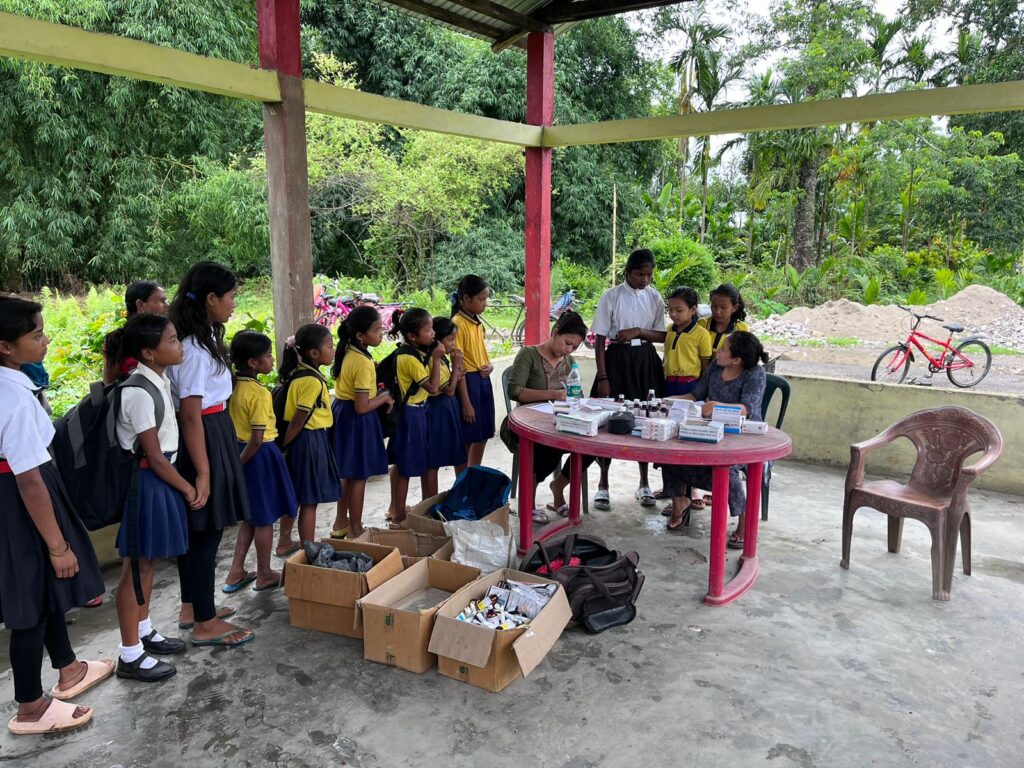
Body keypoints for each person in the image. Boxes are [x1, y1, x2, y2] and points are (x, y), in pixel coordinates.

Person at [0, 296, 111, 735]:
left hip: (20, 495)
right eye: (36, 335)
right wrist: (58, 545)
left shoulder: (13, 383)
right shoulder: (14, 398)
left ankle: (68, 669)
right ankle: (30, 705)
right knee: (30, 601)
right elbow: (28, 479)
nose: (45, 340)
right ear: (6, 346)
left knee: (44, 592)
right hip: (23, 499)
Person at [166, 262, 253, 649]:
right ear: (211, 299)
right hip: (203, 436)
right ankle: (203, 621)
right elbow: (190, 413)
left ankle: (194, 607)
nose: (234, 303)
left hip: (211, 431)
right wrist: (203, 472)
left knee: (201, 530)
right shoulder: (194, 350)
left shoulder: (200, 341)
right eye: (231, 296)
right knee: (206, 531)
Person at [113, 313, 196, 682]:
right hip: (148, 481)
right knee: (137, 567)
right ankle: (129, 654)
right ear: (149, 352)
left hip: (158, 479)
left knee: (148, 565)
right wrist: (186, 486)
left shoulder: (157, 380)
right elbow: (154, 456)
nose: (179, 346)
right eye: (173, 340)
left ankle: (143, 631)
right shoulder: (137, 392)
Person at [663, 331, 768, 538]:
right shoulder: (715, 367)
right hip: (711, 431)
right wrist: (666, 400)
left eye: (722, 349)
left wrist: (715, 405)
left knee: (726, 468)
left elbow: (747, 408)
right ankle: (680, 502)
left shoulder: (755, 373)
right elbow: (695, 395)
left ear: (736, 360)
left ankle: (744, 519)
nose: (716, 351)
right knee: (670, 453)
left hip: (743, 437)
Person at [591, 248, 667, 509]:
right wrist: (603, 376)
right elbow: (600, 338)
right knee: (610, 418)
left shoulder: (655, 298)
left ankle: (644, 483)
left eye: (649, 275)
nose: (644, 279)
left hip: (645, 361)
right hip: (617, 361)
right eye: (639, 274)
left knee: (645, 418)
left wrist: (639, 331)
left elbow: (663, 336)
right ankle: (603, 484)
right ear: (627, 272)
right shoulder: (611, 297)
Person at [224, 331, 297, 593]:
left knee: (251, 518)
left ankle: (236, 571)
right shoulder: (259, 393)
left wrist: (235, 463)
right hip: (259, 455)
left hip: (241, 452)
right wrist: (239, 465)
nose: (271, 359)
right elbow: (257, 438)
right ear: (253, 363)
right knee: (264, 518)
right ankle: (264, 572)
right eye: (267, 355)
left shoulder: (232, 387)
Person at [504, 311, 587, 523]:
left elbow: (577, 394)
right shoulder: (528, 354)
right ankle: (528, 504)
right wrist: (554, 395)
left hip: (558, 420)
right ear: (555, 332)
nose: (568, 350)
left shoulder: (569, 362)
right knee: (545, 447)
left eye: (574, 347)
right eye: (567, 343)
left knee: (590, 445)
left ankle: (559, 487)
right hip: (525, 422)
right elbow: (515, 391)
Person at [329, 307, 393, 540]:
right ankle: (355, 527)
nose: (381, 333)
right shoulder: (362, 361)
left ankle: (340, 522)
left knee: (349, 474)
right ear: (360, 336)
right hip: (357, 420)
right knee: (359, 476)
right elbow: (362, 406)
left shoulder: (349, 351)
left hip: (343, 414)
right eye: (377, 330)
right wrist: (385, 396)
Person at [278, 323, 340, 545]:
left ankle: (285, 541)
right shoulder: (311, 381)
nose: (333, 350)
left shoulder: (301, 373)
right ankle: (309, 548)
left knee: (296, 493)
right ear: (314, 353)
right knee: (309, 499)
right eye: (330, 346)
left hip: (306, 439)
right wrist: (285, 445)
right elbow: (298, 420)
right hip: (307, 440)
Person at [388, 308, 444, 525]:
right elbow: (433, 387)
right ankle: (399, 515)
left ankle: (401, 510)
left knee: (410, 462)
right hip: (410, 414)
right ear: (412, 336)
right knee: (405, 466)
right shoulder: (409, 358)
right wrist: (437, 360)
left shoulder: (416, 351)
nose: (433, 334)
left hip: (419, 411)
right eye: (428, 330)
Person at [422, 316, 467, 498]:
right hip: (438, 411)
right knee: (434, 461)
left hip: (447, 410)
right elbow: (448, 390)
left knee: (440, 458)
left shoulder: (441, 361)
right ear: (437, 341)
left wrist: (456, 372)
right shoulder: (435, 362)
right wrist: (456, 368)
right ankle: (430, 503)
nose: (453, 344)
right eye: (450, 340)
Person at [452, 275, 494, 467]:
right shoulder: (458, 324)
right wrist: (466, 403)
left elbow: (480, 353)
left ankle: (474, 472)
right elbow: (458, 366)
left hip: (483, 379)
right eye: (481, 299)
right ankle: (463, 482)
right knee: (467, 438)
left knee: (483, 433)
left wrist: (490, 365)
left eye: (486, 299)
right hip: (468, 383)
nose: (485, 303)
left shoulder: (476, 321)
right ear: (466, 299)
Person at [103, 280, 170, 385]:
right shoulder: (117, 340)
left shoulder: (165, 336)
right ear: (140, 305)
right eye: (161, 301)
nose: (167, 305)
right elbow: (109, 384)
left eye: (166, 300)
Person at [663, 287, 713, 397]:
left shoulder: (702, 334)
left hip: (690, 385)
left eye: (679, 310)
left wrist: (702, 389)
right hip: (668, 383)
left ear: (693, 310)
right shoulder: (670, 329)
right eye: (670, 309)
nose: (673, 314)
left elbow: (705, 365)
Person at [699, 282, 749, 353]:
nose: (717, 311)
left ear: (734, 308)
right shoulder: (702, 324)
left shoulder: (741, 329)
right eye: (714, 306)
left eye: (723, 307)